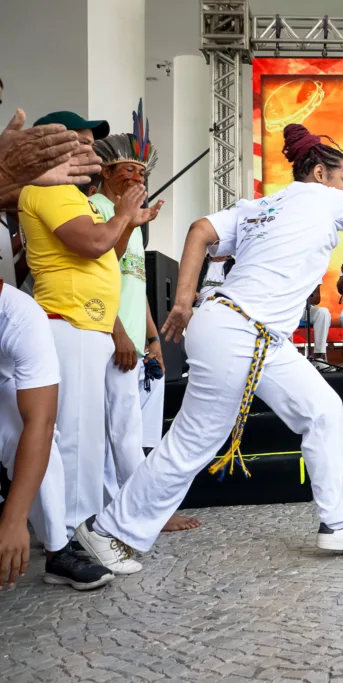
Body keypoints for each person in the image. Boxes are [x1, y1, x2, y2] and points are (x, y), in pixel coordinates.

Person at [74, 124, 343, 575]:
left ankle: (338, 522)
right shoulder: (325, 197)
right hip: (240, 330)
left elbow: (199, 230)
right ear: (322, 175)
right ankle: (107, 532)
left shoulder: (258, 206)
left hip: (251, 332)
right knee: (196, 440)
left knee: (323, 407)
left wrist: (185, 299)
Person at [17, 111, 153, 540]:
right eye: (77, 142)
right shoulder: (50, 190)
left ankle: (78, 534)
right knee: (75, 440)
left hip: (86, 326)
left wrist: (126, 221)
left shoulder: (74, 197)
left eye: (89, 144)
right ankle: (73, 541)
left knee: (90, 442)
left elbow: (108, 259)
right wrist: (124, 215)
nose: (87, 151)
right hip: (69, 321)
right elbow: (94, 243)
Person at [89, 128, 199, 532]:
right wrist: (117, 332)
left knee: (129, 434)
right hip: (106, 338)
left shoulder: (128, 219)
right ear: (104, 171)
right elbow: (98, 277)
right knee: (118, 433)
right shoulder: (96, 210)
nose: (137, 179)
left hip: (135, 343)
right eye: (127, 171)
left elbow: (133, 282)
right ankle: (138, 515)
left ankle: (125, 512)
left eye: (141, 173)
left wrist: (151, 338)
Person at [0, 281, 114, 590]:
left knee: (36, 438)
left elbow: (41, 420)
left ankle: (57, 550)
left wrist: (13, 520)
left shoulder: (19, 313)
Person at [298, 285, 333, 366]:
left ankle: (319, 357)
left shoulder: (313, 272)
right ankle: (289, 358)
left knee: (323, 312)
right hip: (286, 308)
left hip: (303, 308)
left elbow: (316, 299)